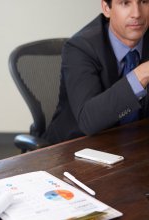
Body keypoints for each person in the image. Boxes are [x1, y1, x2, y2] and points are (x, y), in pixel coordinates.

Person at [43, 0, 149, 144]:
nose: (137, 14)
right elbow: (88, 120)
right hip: (76, 147)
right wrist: (142, 74)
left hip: (134, 143)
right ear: (106, 8)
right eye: (125, 3)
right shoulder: (80, 48)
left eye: (144, 2)